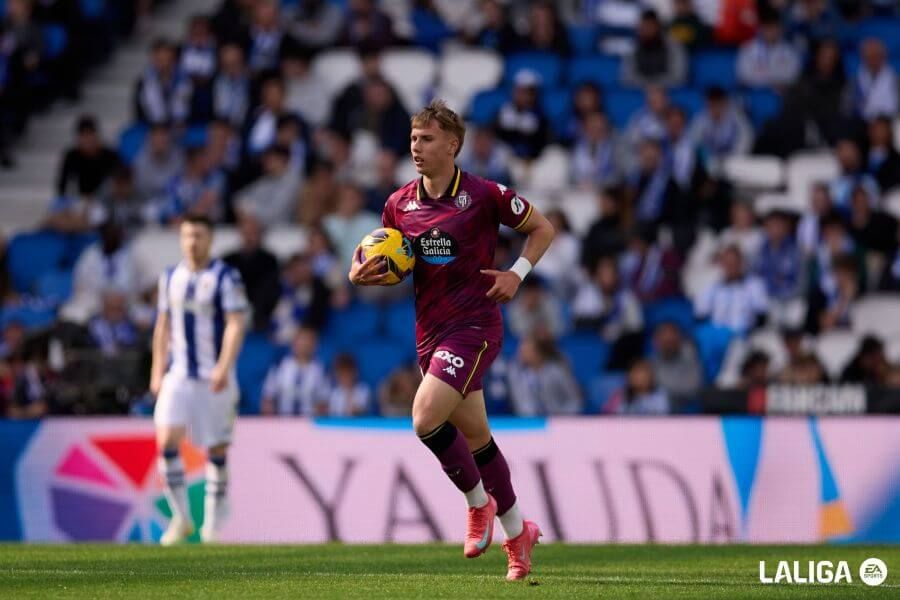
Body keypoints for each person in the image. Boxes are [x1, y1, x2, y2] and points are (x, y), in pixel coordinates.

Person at [348, 100, 555, 580]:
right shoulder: (398, 204)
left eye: (427, 140)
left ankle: (477, 504)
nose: (416, 148)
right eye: (414, 139)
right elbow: (385, 260)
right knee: (478, 439)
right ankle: (517, 534)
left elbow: (543, 229)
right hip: (430, 335)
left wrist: (517, 274)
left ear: (452, 145)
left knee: (424, 418)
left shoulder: (484, 195)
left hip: (476, 327)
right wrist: (361, 274)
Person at [150, 215, 248, 545]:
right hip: (179, 374)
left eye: (200, 235)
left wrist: (223, 365)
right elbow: (162, 327)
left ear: (211, 239)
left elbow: (236, 323)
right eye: (188, 235)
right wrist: (156, 370)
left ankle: (212, 528)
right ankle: (181, 519)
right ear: (181, 239)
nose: (193, 242)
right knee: (166, 443)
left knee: (216, 451)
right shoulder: (170, 277)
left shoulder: (225, 276)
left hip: (214, 378)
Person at [261, 326, 330, 415]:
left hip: (309, 422)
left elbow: (324, 402)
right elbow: (268, 397)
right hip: (281, 421)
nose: (304, 345)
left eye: (307, 341)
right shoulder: (280, 366)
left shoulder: (321, 370)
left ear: (314, 345)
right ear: (293, 343)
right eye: (301, 341)